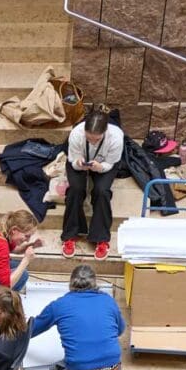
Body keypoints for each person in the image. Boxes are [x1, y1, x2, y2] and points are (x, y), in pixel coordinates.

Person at [29, 264, 127, 370]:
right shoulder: (107, 300)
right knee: (107, 368)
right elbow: (120, 330)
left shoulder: (59, 305)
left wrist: (10, 331)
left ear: (71, 283)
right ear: (95, 283)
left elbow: (32, 329)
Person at [61, 108, 123, 260]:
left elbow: (110, 163)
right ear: (84, 131)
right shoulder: (76, 134)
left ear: (105, 132)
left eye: (97, 139)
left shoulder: (116, 137)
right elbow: (72, 160)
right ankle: (70, 235)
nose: (92, 142)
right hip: (80, 162)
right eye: (89, 138)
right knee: (75, 189)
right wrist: (78, 164)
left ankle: (101, 238)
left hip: (105, 164)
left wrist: (100, 168)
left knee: (102, 191)